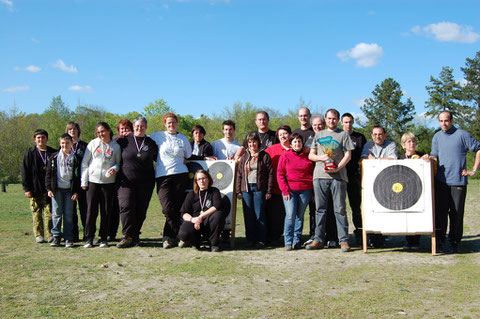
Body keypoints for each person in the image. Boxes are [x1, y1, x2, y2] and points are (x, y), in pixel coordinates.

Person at [429, 110, 480, 253]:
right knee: (440, 213)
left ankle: (454, 241)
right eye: (440, 121)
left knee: (456, 214)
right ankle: (439, 241)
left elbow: (478, 149)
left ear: (451, 121)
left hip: (458, 182)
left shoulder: (463, 135)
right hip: (441, 182)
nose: (443, 124)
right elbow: (434, 156)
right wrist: (428, 159)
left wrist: (473, 170)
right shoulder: (437, 136)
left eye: (446, 121)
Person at [306, 109, 354, 252]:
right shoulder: (318, 135)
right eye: (329, 118)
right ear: (325, 119)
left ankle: (343, 240)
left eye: (334, 118)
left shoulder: (343, 134)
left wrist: (337, 168)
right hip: (320, 176)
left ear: (338, 120)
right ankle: (318, 239)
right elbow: (311, 155)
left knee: (340, 209)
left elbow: (348, 155)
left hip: (338, 177)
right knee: (320, 209)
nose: (331, 121)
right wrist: (321, 158)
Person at [150, 112, 192, 249]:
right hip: (163, 176)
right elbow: (142, 141)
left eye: (173, 122)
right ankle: (182, 235)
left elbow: (189, 155)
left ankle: (167, 237)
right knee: (167, 208)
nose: (171, 125)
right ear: (165, 124)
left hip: (181, 175)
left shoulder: (183, 138)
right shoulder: (157, 136)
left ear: (177, 123)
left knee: (177, 208)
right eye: (169, 123)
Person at [116, 116, 158, 248]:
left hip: (146, 183)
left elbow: (159, 159)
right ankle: (127, 236)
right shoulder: (123, 141)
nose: (139, 128)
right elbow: (111, 147)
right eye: (137, 126)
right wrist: (119, 136)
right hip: (126, 181)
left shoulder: (151, 143)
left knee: (141, 210)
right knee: (126, 206)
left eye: (142, 126)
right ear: (133, 127)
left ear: (146, 127)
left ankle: (135, 235)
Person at [81, 122, 121, 248]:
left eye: (103, 131)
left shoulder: (116, 146)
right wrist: (84, 181)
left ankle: (103, 238)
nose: (101, 134)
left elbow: (118, 162)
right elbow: (85, 163)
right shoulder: (93, 144)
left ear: (109, 131)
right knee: (91, 211)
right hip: (93, 181)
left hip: (108, 183)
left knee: (106, 211)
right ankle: (89, 238)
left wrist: (115, 168)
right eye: (98, 132)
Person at [361, 125, 397, 248]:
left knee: (385, 210)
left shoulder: (391, 144)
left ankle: (383, 236)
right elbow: (364, 159)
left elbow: (393, 159)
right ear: (372, 135)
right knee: (372, 210)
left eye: (380, 134)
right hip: (371, 182)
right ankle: (373, 237)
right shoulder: (368, 145)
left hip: (387, 182)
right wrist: (380, 160)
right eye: (375, 134)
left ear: (385, 135)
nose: (377, 136)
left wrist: (375, 159)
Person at [236, 132, 273, 248]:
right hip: (246, 189)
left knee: (259, 214)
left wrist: (269, 191)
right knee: (248, 215)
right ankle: (250, 239)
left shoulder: (265, 156)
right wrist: (238, 191)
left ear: (258, 142)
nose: (252, 144)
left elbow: (270, 174)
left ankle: (261, 239)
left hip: (259, 189)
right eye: (250, 142)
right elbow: (239, 174)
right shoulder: (244, 157)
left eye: (254, 141)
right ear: (247, 144)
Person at [277, 133, 314, 251]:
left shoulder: (307, 156)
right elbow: (280, 174)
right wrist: (285, 190)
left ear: (302, 143)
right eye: (295, 142)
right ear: (291, 143)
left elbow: (312, 174)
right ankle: (288, 240)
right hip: (290, 191)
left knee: (300, 216)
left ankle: (297, 239)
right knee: (290, 215)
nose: (297, 144)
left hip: (305, 190)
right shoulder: (285, 156)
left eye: (299, 142)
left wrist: (313, 191)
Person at [21, 129, 57, 243]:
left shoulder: (53, 152)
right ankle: (38, 235)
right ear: (34, 140)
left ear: (47, 139)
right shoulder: (30, 153)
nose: (40, 139)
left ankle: (50, 234)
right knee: (36, 212)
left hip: (49, 189)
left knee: (49, 213)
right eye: (38, 138)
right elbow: (24, 171)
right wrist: (27, 189)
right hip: (34, 189)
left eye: (43, 137)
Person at [46, 133, 81, 248]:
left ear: (71, 143)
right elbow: (48, 174)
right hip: (57, 190)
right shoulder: (54, 157)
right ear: (59, 143)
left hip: (69, 191)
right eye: (62, 143)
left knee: (68, 215)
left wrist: (76, 191)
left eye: (67, 143)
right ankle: (56, 237)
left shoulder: (75, 158)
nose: (64, 145)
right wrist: (49, 188)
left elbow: (77, 177)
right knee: (56, 214)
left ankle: (68, 238)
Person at [179, 170, 226, 252]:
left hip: (208, 221)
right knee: (184, 233)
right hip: (195, 222)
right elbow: (184, 212)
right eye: (199, 179)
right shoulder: (191, 194)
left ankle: (214, 243)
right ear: (196, 181)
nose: (202, 181)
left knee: (218, 215)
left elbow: (217, 206)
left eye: (204, 178)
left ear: (208, 179)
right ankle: (195, 242)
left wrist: (201, 216)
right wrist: (193, 219)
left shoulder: (214, 191)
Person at [341, 113, 367, 245]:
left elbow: (365, 156)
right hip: (339, 176)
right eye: (345, 122)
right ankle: (341, 235)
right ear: (341, 123)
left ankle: (360, 232)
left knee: (356, 207)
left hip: (354, 178)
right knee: (339, 208)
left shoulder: (360, 137)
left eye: (350, 122)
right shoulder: (338, 136)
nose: (348, 124)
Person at [400, 132, 428, 250]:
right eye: (408, 142)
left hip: (418, 190)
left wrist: (428, 159)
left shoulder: (422, 155)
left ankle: (416, 241)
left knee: (417, 215)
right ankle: (408, 240)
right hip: (404, 190)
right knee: (406, 215)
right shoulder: (400, 158)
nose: (411, 144)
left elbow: (432, 160)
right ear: (403, 145)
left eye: (413, 141)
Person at [265, 125, 292, 246]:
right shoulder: (271, 149)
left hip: (292, 189)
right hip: (276, 188)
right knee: (276, 215)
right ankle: (274, 237)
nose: (283, 136)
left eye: (285, 134)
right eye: (280, 134)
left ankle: (291, 237)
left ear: (290, 135)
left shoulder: (296, 147)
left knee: (291, 215)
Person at [110, 119, 134, 242]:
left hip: (129, 179)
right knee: (114, 207)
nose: (124, 131)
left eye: (127, 128)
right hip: (114, 178)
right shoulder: (115, 142)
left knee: (127, 206)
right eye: (122, 129)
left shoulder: (135, 141)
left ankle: (131, 233)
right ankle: (111, 233)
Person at [65, 122, 88, 242]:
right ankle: (73, 235)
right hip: (69, 184)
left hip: (83, 183)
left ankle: (87, 234)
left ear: (78, 131)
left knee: (85, 209)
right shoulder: (64, 146)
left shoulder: (85, 146)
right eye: (70, 129)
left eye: (74, 129)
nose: (72, 131)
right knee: (71, 211)